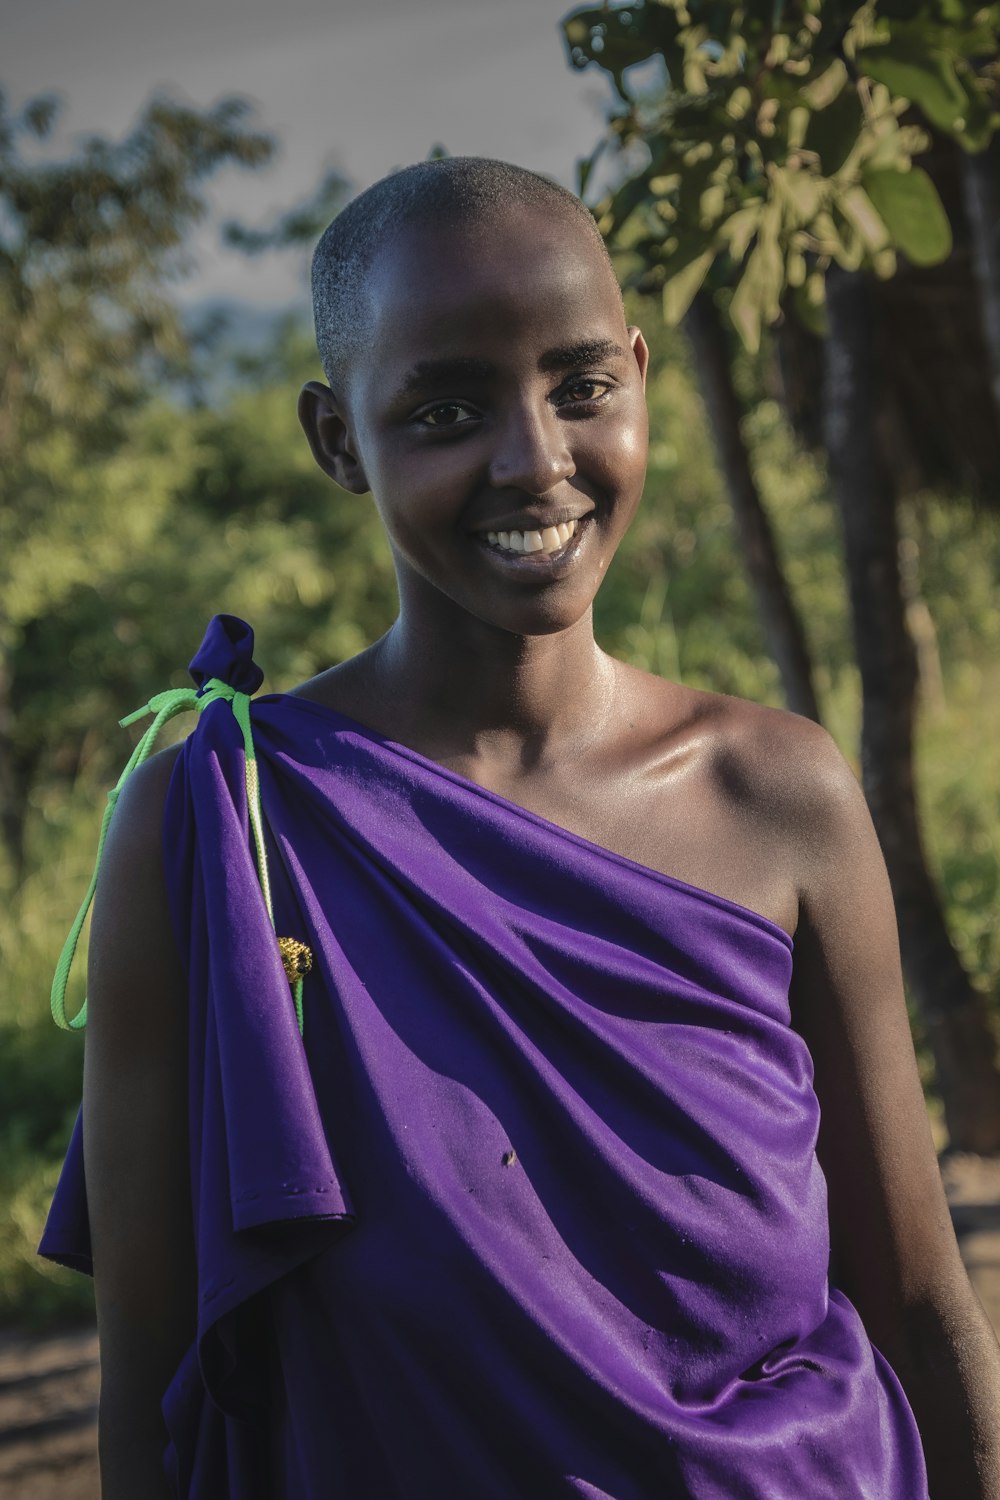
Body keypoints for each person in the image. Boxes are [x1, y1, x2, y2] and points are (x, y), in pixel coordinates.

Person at [41, 157, 1000, 1499]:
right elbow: (149, 1387)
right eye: (445, 408)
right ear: (336, 442)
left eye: (583, 387)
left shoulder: (777, 795)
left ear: (641, 378)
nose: (535, 460)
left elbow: (919, 1306)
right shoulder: (223, 822)